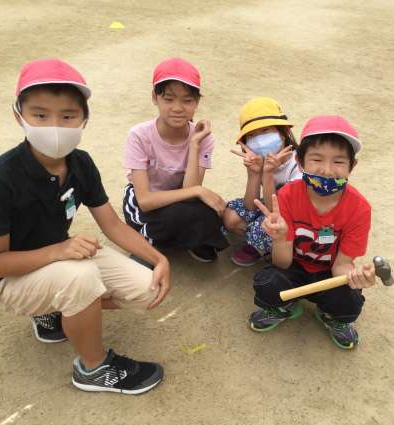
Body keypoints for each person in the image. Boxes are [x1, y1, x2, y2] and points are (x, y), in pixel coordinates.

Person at [0, 59, 171, 394]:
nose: (54, 126)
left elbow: (111, 223)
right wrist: (59, 250)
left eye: (67, 116)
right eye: (40, 115)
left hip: (58, 261)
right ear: (19, 115)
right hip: (8, 279)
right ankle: (93, 368)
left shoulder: (80, 163)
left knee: (147, 288)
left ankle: (56, 310)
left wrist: (159, 259)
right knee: (81, 279)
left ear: (84, 119)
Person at [248, 115, 375, 349]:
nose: (327, 170)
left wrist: (354, 277)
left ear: (352, 166)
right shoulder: (287, 196)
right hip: (294, 268)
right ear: (300, 161)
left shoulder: (359, 209)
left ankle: (330, 316)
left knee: (350, 300)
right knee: (267, 283)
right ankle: (285, 306)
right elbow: (282, 263)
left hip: (329, 274)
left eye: (339, 161)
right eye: (316, 159)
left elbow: (342, 265)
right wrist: (279, 239)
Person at [123, 57, 229, 263]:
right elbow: (145, 201)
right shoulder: (139, 135)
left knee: (211, 213)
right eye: (169, 99)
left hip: (180, 197)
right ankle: (145, 244)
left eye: (187, 100)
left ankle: (180, 237)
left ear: (197, 102)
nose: (178, 108)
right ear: (155, 97)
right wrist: (198, 191)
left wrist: (194, 144)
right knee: (177, 217)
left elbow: (189, 191)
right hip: (144, 201)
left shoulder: (204, 138)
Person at [223, 97, 301, 266]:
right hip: (270, 203)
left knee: (270, 223)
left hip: (293, 213)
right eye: (251, 135)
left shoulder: (298, 164)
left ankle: (273, 246)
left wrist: (268, 173)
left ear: (283, 132)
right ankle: (264, 242)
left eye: (265, 131)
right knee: (231, 216)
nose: (259, 140)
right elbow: (250, 205)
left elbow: (276, 210)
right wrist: (254, 173)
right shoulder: (259, 159)